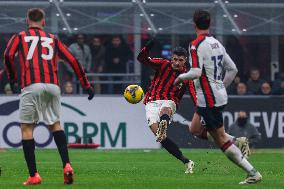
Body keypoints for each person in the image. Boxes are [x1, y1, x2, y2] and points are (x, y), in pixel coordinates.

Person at [3, 8, 95, 185]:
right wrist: (86, 84)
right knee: (55, 124)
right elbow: (73, 60)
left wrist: (13, 78)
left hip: (31, 85)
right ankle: (67, 165)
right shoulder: (53, 38)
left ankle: (33, 175)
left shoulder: (20, 36)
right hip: (53, 86)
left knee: (27, 129)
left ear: (27, 21)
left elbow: (8, 54)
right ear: (43, 22)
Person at [174, 10, 262, 184]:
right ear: (210, 24)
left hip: (209, 98)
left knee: (221, 140)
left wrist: (180, 78)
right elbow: (233, 69)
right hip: (213, 96)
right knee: (194, 129)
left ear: (194, 25)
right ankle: (238, 141)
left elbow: (196, 72)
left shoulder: (195, 44)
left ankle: (253, 172)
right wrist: (220, 86)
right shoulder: (216, 43)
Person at [137, 40, 195, 174]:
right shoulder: (163, 64)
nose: (177, 62)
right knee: (161, 137)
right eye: (175, 59)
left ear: (185, 60)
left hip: (170, 101)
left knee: (166, 108)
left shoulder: (187, 76)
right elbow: (141, 59)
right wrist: (148, 47)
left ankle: (164, 122)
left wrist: (200, 108)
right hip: (151, 102)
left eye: (180, 60)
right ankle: (186, 161)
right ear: (171, 58)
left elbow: (193, 94)